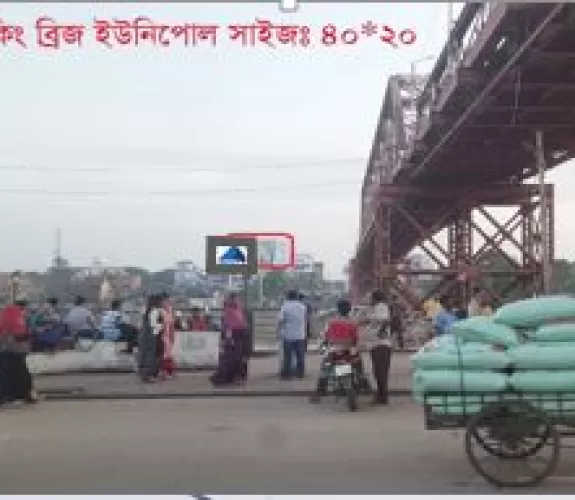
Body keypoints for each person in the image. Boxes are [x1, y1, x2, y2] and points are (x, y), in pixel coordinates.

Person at [311, 298, 360, 402]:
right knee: (358, 367)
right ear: (349, 309)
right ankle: (361, 384)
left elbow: (325, 337)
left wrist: (322, 346)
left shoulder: (331, 322)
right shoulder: (353, 323)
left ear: (338, 309)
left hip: (333, 351)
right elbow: (356, 339)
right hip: (348, 351)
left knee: (324, 370)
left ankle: (319, 392)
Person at [0, 298, 39, 404]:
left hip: (7, 349)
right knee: (22, 373)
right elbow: (21, 333)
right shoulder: (18, 315)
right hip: (16, 350)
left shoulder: (7, 313)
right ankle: (25, 395)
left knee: (6, 373)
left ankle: (7, 396)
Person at [360, 289, 392, 405]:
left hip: (381, 344)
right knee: (378, 371)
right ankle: (381, 395)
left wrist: (380, 333)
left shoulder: (381, 306)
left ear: (375, 298)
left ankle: (382, 397)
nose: (369, 300)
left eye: (370, 298)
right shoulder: (374, 308)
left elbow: (386, 320)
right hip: (374, 344)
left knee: (380, 371)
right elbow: (372, 321)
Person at [211, 293, 249, 386]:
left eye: (237, 299)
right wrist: (229, 337)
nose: (236, 301)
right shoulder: (228, 310)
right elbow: (227, 325)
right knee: (234, 357)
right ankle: (234, 377)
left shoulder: (239, 309)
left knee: (240, 356)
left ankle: (239, 377)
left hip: (241, 334)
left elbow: (244, 323)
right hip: (233, 335)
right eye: (234, 299)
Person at [277, 290, 307, 380]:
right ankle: (300, 373)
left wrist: (278, 331)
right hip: (300, 334)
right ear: (296, 296)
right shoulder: (302, 307)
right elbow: (305, 320)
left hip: (288, 335)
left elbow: (281, 321)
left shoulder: (285, 307)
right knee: (300, 356)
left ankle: (287, 374)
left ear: (288, 297)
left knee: (288, 356)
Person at [138, 294, 164, 383]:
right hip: (151, 335)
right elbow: (154, 325)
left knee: (143, 354)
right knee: (150, 355)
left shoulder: (144, 310)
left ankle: (142, 373)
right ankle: (147, 375)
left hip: (143, 334)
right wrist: (161, 325)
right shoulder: (155, 311)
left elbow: (141, 323)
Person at [159, 292, 176, 380]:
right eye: (164, 300)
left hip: (169, 335)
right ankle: (165, 372)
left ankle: (169, 372)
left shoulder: (170, 309)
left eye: (167, 300)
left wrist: (172, 336)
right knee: (164, 355)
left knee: (168, 355)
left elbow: (172, 324)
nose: (166, 302)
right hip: (162, 335)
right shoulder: (159, 311)